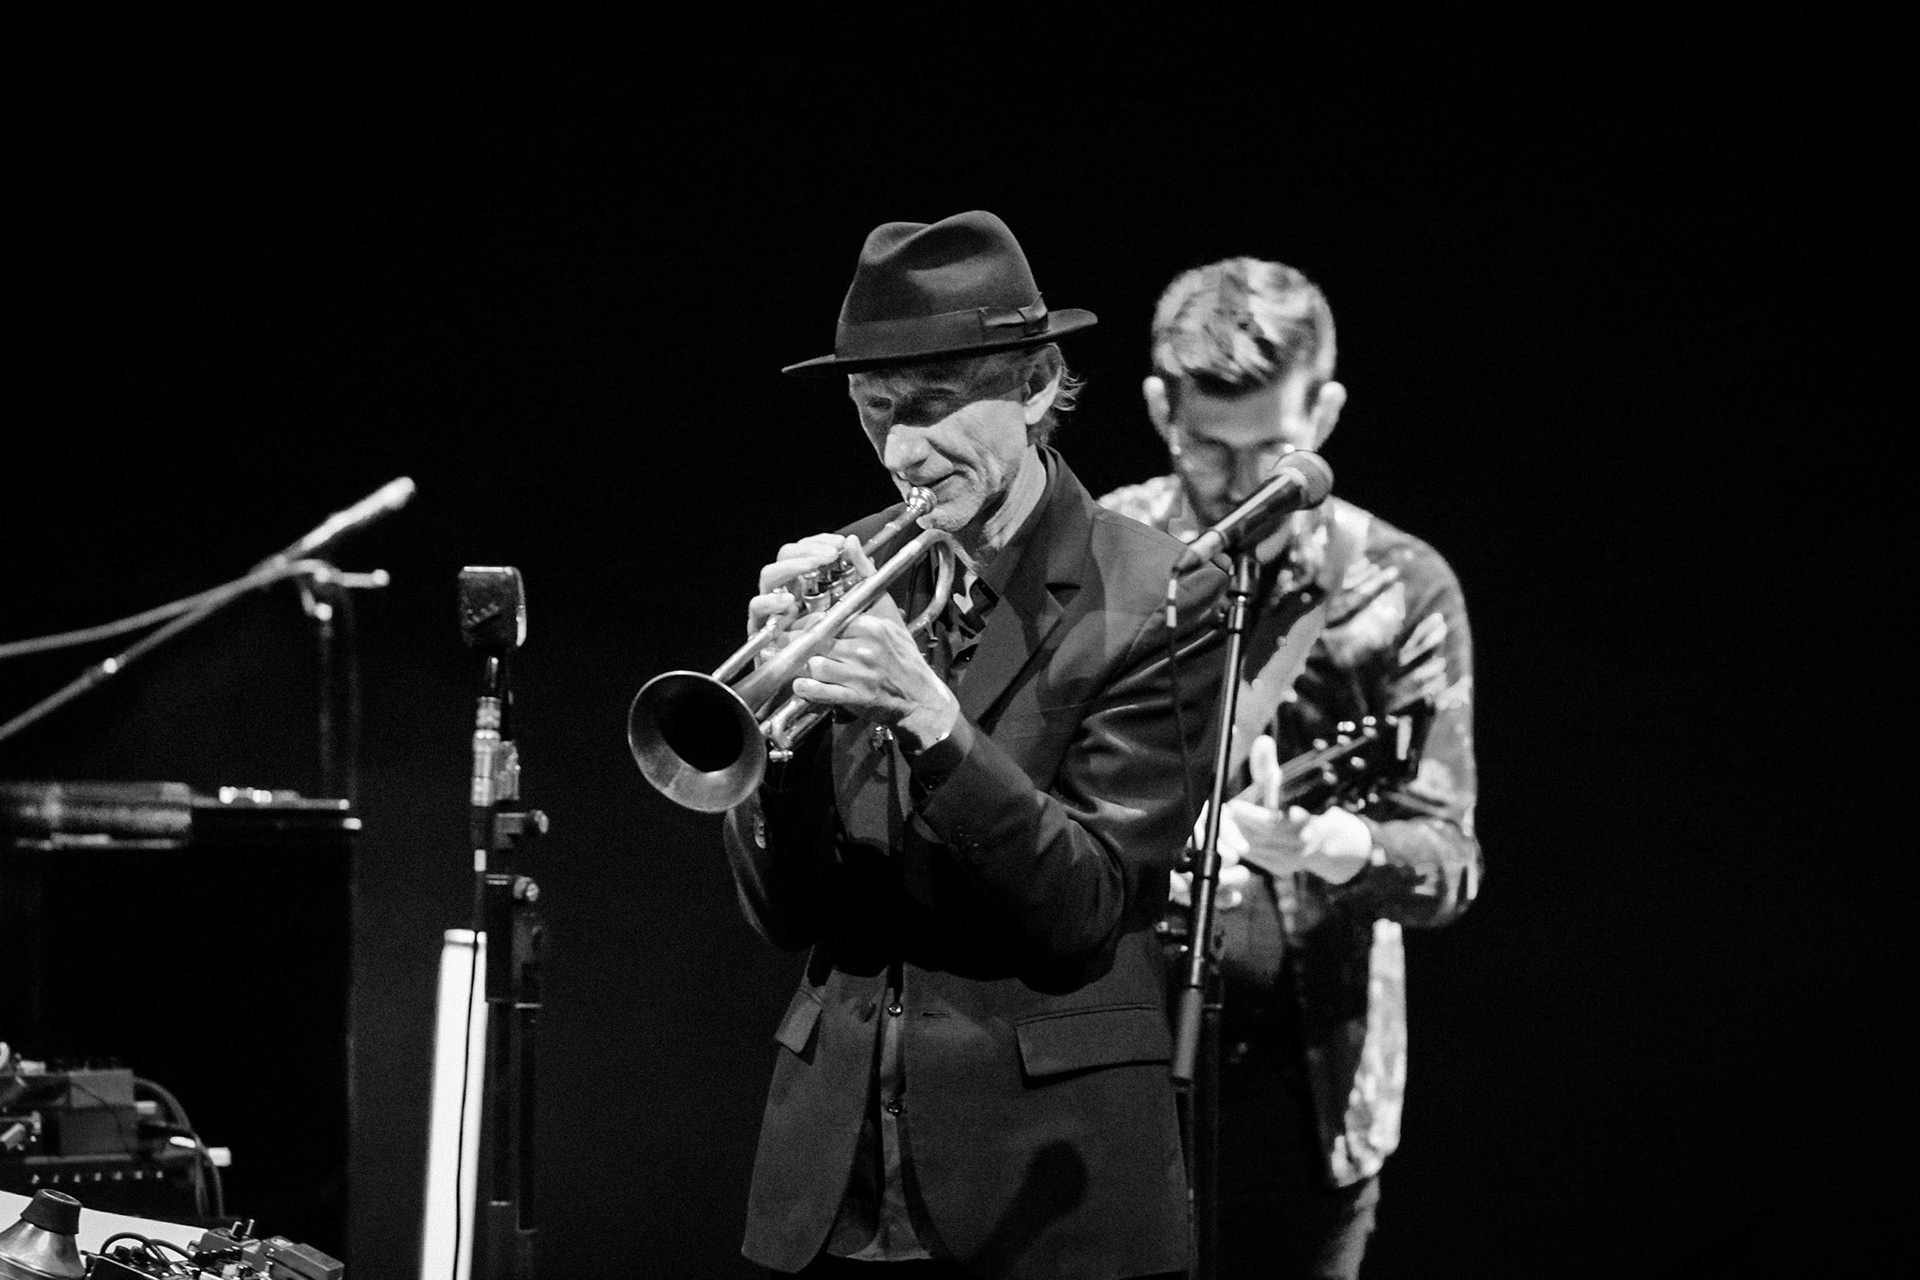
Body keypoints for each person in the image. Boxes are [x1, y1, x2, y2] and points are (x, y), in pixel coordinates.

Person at [721, 211, 1228, 1280]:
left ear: (1037, 386)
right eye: (876, 408)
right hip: (837, 1189)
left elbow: (1085, 907)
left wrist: (933, 723)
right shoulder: (848, 565)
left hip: (1049, 1190)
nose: (902, 451)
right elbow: (786, 914)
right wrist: (776, 739)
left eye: (935, 404)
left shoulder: (1160, 591)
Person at [1098, 258, 1482, 1280]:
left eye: (1273, 450)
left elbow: (1449, 862)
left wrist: (1333, 843)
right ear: (1160, 409)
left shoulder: (1399, 584)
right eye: (1209, 448)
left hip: (1306, 1101)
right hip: (1109, 1073)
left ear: (1326, 412)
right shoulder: (1102, 553)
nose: (1242, 488)